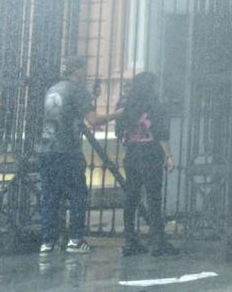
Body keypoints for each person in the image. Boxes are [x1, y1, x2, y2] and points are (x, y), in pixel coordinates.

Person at [37, 56, 121, 254]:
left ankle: (47, 242)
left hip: (47, 149)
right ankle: (75, 240)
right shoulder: (78, 91)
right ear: (77, 70)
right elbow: (94, 121)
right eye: (84, 69)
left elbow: (65, 114)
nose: (87, 73)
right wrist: (119, 114)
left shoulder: (53, 89)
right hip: (67, 150)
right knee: (77, 194)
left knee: (50, 196)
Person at [116, 72, 179, 257]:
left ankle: (130, 240)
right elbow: (160, 133)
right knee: (153, 198)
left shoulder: (126, 106)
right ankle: (157, 242)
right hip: (150, 154)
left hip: (132, 154)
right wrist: (169, 155)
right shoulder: (154, 106)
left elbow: (119, 132)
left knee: (131, 197)